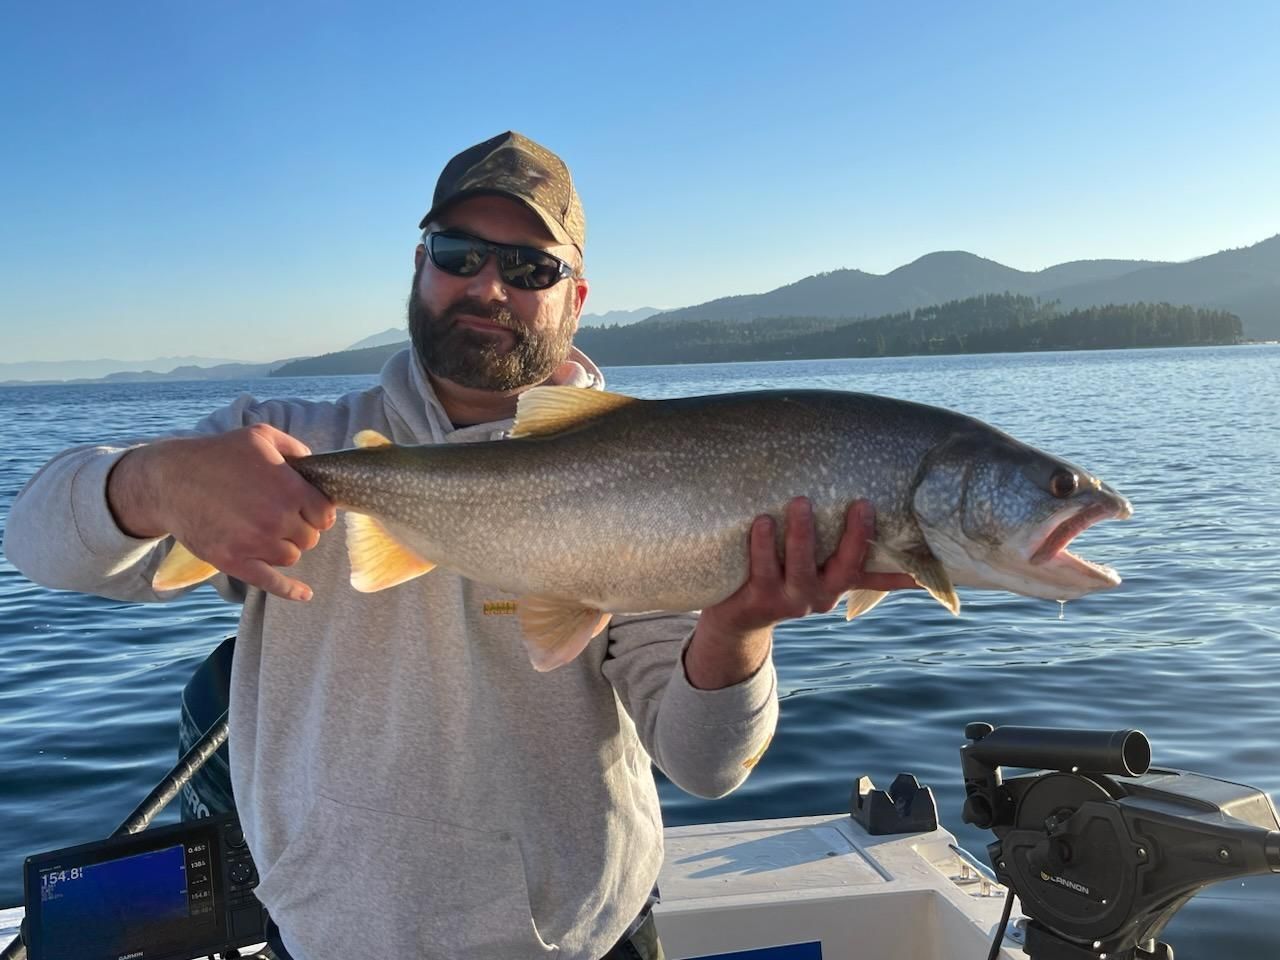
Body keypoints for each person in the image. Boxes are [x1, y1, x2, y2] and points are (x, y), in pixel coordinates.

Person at [3, 131, 915, 960]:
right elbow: (36, 541)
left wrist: (740, 629)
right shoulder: (281, 438)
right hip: (324, 937)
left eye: (529, 266)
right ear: (419, 263)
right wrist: (159, 482)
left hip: (576, 944)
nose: (488, 285)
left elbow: (707, 765)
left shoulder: (653, 474)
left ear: (577, 298)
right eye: (459, 253)